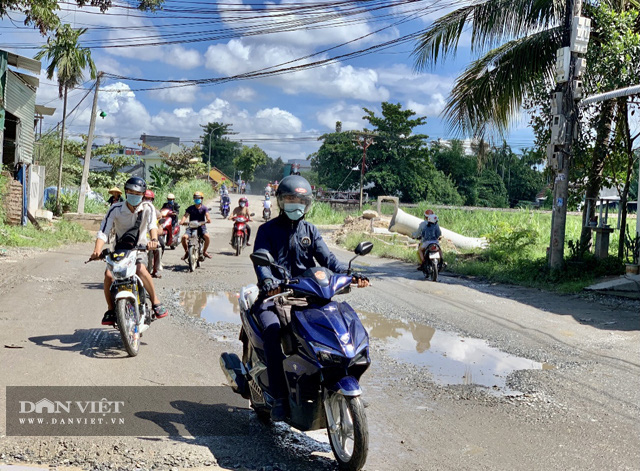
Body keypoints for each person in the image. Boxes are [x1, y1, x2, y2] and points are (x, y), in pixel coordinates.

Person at [251, 175, 369, 421]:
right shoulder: (266, 230)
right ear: (281, 202)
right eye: (290, 199)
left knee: (336, 323)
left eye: (301, 200)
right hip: (276, 295)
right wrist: (268, 282)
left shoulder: (310, 230)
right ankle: (280, 398)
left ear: (308, 203)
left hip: (309, 294)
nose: (296, 204)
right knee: (273, 331)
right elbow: (261, 260)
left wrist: (351, 274)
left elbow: (329, 260)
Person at [90, 177, 169, 325]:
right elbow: (103, 231)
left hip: (140, 248)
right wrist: (97, 250)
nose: (134, 195)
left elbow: (152, 226)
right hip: (120, 250)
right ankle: (111, 309)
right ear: (126, 192)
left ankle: (156, 301)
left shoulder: (148, 208)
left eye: (137, 193)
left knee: (140, 270)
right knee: (108, 275)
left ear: (143, 194)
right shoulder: (115, 209)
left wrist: (153, 240)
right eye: (131, 192)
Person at [180, 191, 212, 259]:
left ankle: (204, 251)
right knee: (184, 237)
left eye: (198, 198)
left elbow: (207, 215)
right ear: (193, 199)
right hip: (191, 227)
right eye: (195, 198)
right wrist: (182, 221)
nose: (197, 199)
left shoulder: (204, 208)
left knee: (207, 237)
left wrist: (208, 219)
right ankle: (186, 252)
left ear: (201, 199)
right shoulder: (190, 208)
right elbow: (185, 215)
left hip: (201, 227)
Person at [143, 190, 163, 278]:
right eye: (145, 198)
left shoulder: (156, 213)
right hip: (141, 237)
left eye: (149, 199)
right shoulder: (137, 210)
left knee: (159, 248)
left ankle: (155, 270)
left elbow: (160, 227)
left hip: (152, 238)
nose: (147, 201)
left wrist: (157, 232)